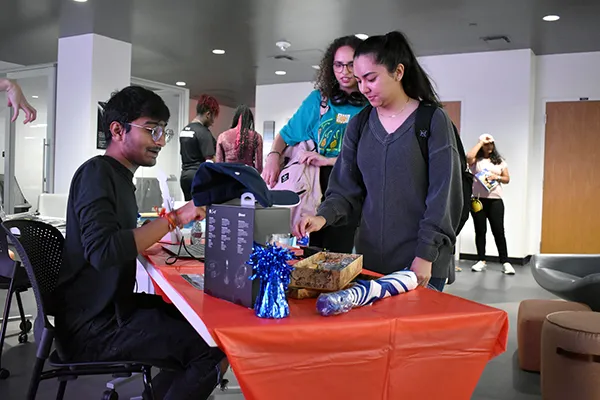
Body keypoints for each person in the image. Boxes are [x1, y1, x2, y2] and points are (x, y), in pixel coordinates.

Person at [55, 86, 228, 400]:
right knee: (213, 347)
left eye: (164, 131)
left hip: (111, 310)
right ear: (118, 130)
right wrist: (174, 218)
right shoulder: (97, 173)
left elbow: (117, 241)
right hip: (94, 326)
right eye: (153, 130)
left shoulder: (118, 178)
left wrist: (153, 235)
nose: (161, 141)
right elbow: (104, 251)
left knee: (203, 325)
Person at [294, 31, 464, 291]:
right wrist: (321, 217)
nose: (363, 88)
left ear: (398, 72)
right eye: (359, 80)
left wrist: (426, 254)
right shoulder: (360, 125)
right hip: (371, 260)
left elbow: (444, 196)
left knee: (413, 332)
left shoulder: (432, 121)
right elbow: (345, 190)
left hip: (421, 263)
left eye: (371, 78)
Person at [262, 35, 367, 253]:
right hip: (315, 187)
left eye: (350, 65)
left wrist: (328, 160)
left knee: (341, 255)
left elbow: (371, 157)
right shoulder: (318, 101)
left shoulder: (371, 105)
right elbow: (286, 135)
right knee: (313, 252)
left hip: (354, 186)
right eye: (338, 65)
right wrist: (273, 156)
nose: (344, 72)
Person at [467, 134, 515, 275]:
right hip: (478, 200)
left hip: (495, 200)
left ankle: (505, 262)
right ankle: (481, 260)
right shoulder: (476, 161)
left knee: (498, 231)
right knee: (480, 231)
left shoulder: (499, 162)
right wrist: (481, 142)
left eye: (491, 144)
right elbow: (469, 157)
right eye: (486, 144)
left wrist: (497, 177)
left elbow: (507, 179)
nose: (489, 146)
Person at [180, 94, 220, 200]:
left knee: (189, 211)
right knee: (201, 212)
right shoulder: (203, 132)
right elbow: (210, 160)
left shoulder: (185, 130)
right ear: (208, 114)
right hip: (198, 178)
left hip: (185, 177)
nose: (213, 122)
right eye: (213, 117)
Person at [216, 105, 263, 172]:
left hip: (228, 176)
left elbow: (219, 165)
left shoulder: (222, 136)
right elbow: (259, 167)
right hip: (247, 176)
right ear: (250, 120)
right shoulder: (256, 137)